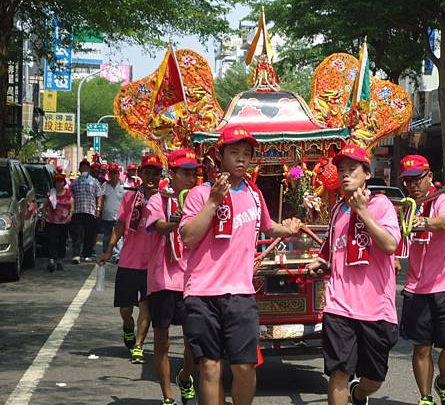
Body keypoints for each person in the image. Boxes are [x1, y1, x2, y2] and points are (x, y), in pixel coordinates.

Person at [180, 126, 302, 405]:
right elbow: (188, 237)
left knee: (245, 367)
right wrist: (213, 202)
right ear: (219, 156)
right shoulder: (200, 194)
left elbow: (267, 227)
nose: (241, 159)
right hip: (202, 293)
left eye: (246, 154)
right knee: (210, 367)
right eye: (234, 152)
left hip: (240, 294)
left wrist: (288, 229)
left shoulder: (255, 195)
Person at [306, 144, 401, 405]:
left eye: (352, 169)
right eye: (342, 170)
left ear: (367, 174)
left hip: (376, 310)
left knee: (374, 378)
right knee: (338, 372)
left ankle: (359, 394)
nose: (345, 175)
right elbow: (332, 247)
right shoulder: (338, 210)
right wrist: (321, 261)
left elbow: (391, 245)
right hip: (339, 306)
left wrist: (363, 212)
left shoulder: (381, 205)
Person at [399, 155, 445, 405]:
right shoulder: (406, 207)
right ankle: (425, 397)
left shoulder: (444, 200)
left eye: (417, 179)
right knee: (421, 347)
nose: (413, 185)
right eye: (407, 181)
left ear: (429, 176)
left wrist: (423, 222)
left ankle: (443, 382)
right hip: (417, 287)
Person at [145, 148, 200, 405]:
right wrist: (176, 221)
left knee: (193, 340)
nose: (191, 179)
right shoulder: (159, 200)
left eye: (195, 174)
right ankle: (167, 395)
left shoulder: (200, 199)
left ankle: (186, 375)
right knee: (162, 341)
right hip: (163, 279)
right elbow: (157, 227)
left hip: (191, 279)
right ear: (172, 174)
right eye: (186, 174)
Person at [99, 154, 163, 364]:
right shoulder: (129, 197)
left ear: (161, 175)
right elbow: (119, 226)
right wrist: (109, 250)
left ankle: (138, 346)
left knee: (146, 307)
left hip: (152, 264)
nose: (151, 177)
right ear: (141, 174)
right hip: (128, 261)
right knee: (126, 309)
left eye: (155, 173)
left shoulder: (164, 199)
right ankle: (127, 326)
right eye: (148, 172)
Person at [70, 159, 103, 264]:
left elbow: (99, 196)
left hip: (90, 211)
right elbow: (70, 196)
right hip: (77, 211)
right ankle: (76, 254)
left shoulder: (94, 181)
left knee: (90, 234)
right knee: (77, 234)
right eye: (82, 168)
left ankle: (87, 254)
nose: (84, 169)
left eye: (86, 168)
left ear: (89, 170)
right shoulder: (74, 182)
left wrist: (98, 209)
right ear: (79, 169)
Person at [42, 173, 74, 272]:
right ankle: (51, 260)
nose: (59, 184)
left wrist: (70, 216)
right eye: (57, 182)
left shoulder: (68, 193)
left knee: (62, 241)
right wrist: (43, 218)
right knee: (52, 240)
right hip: (52, 221)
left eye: (61, 182)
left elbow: (72, 207)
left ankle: (59, 260)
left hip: (64, 222)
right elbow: (44, 206)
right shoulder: (51, 193)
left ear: (64, 183)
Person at [101, 164, 125, 261]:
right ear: (109, 174)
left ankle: (117, 256)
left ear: (118, 174)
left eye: (115, 173)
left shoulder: (124, 187)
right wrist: (99, 210)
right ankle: (106, 253)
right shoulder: (105, 185)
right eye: (112, 173)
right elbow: (102, 199)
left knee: (118, 237)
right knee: (107, 237)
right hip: (106, 216)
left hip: (119, 216)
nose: (114, 175)